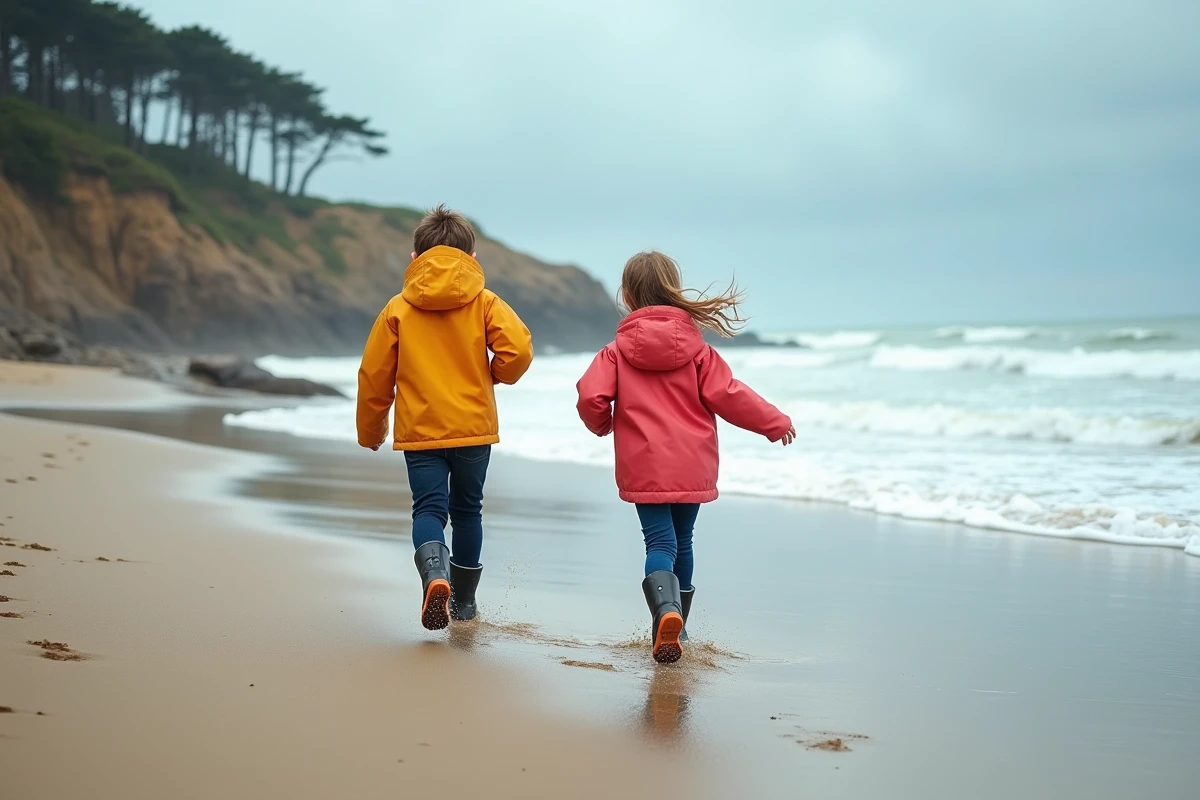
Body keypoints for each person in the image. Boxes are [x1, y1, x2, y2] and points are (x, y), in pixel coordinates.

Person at [576, 251, 794, 663]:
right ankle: (680, 628)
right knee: (683, 541)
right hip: (693, 463)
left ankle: (665, 614)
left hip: (643, 464)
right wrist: (774, 422)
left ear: (627, 294)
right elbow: (730, 395)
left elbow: (591, 396)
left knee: (658, 541)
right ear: (673, 289)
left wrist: (604, 423)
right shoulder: (698, 351)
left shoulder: (615, 352)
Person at [357, 205, 533, 630]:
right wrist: (495, 375)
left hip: (421, 430)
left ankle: (435, 575)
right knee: (469, 510)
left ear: (414, 259)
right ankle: (465, 603)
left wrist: (371, 430)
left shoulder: (398, 308)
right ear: (472, 260)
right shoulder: (484, 301)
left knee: (429, 510)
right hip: (473, 428)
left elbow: (375, 375)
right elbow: (518, 352)